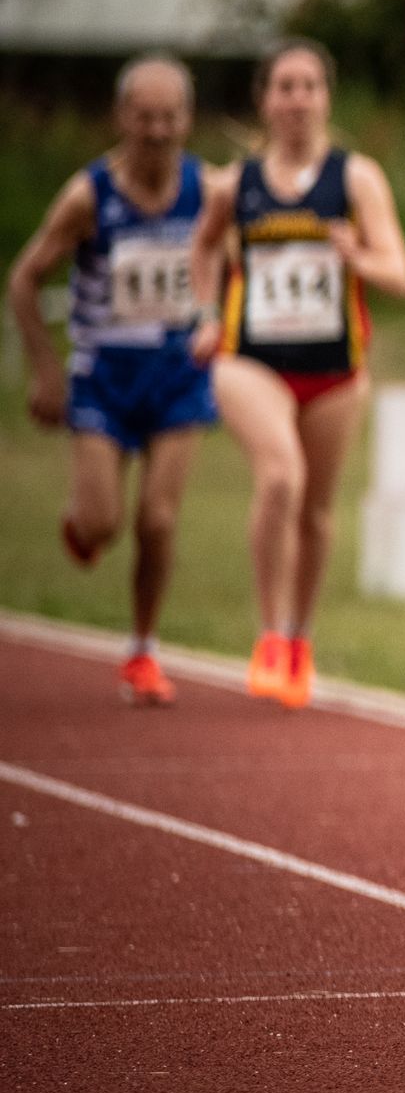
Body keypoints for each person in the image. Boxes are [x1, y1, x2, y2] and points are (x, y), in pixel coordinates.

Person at [190, 37, 405, 711]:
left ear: (326, 98)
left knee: (315, 509)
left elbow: (399, 274)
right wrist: (204, 315)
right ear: (264, 100)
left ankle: (299, 638)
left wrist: (355, 255)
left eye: (309, 86)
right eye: (284, 86)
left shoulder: (356, 179)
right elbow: (204, 247)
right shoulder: (236, 184)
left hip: (334, 369)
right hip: (250, 359)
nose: (297, 99)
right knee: (280, 475)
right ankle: (269, 632)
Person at [7, 56, 220, 705]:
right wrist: (46, 371)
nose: (157, 131)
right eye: (144, 117)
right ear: (121, 117)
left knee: (158, 519)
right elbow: (24, 279)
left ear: (187, 119)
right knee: (103, 524)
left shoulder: (208, 190)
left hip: (178, 375)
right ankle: (82, 526)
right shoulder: (89, 195)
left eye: (169, 117)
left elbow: (234, 263)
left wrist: (218, 321)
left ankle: (143, 650)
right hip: (103, 377)